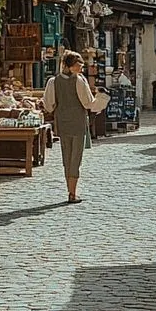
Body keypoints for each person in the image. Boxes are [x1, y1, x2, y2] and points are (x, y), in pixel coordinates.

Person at [42, 51, 107, 203]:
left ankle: (70, 190)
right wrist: (102, 99)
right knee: (75, 158)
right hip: (77, 122)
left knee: (67, 157)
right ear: (70, 66)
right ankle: (72, 193)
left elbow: (49, 105)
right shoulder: (79, 81)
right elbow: (88, 103)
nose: (80, 68)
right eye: (78, 65)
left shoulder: (53, 82)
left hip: (62, 122)